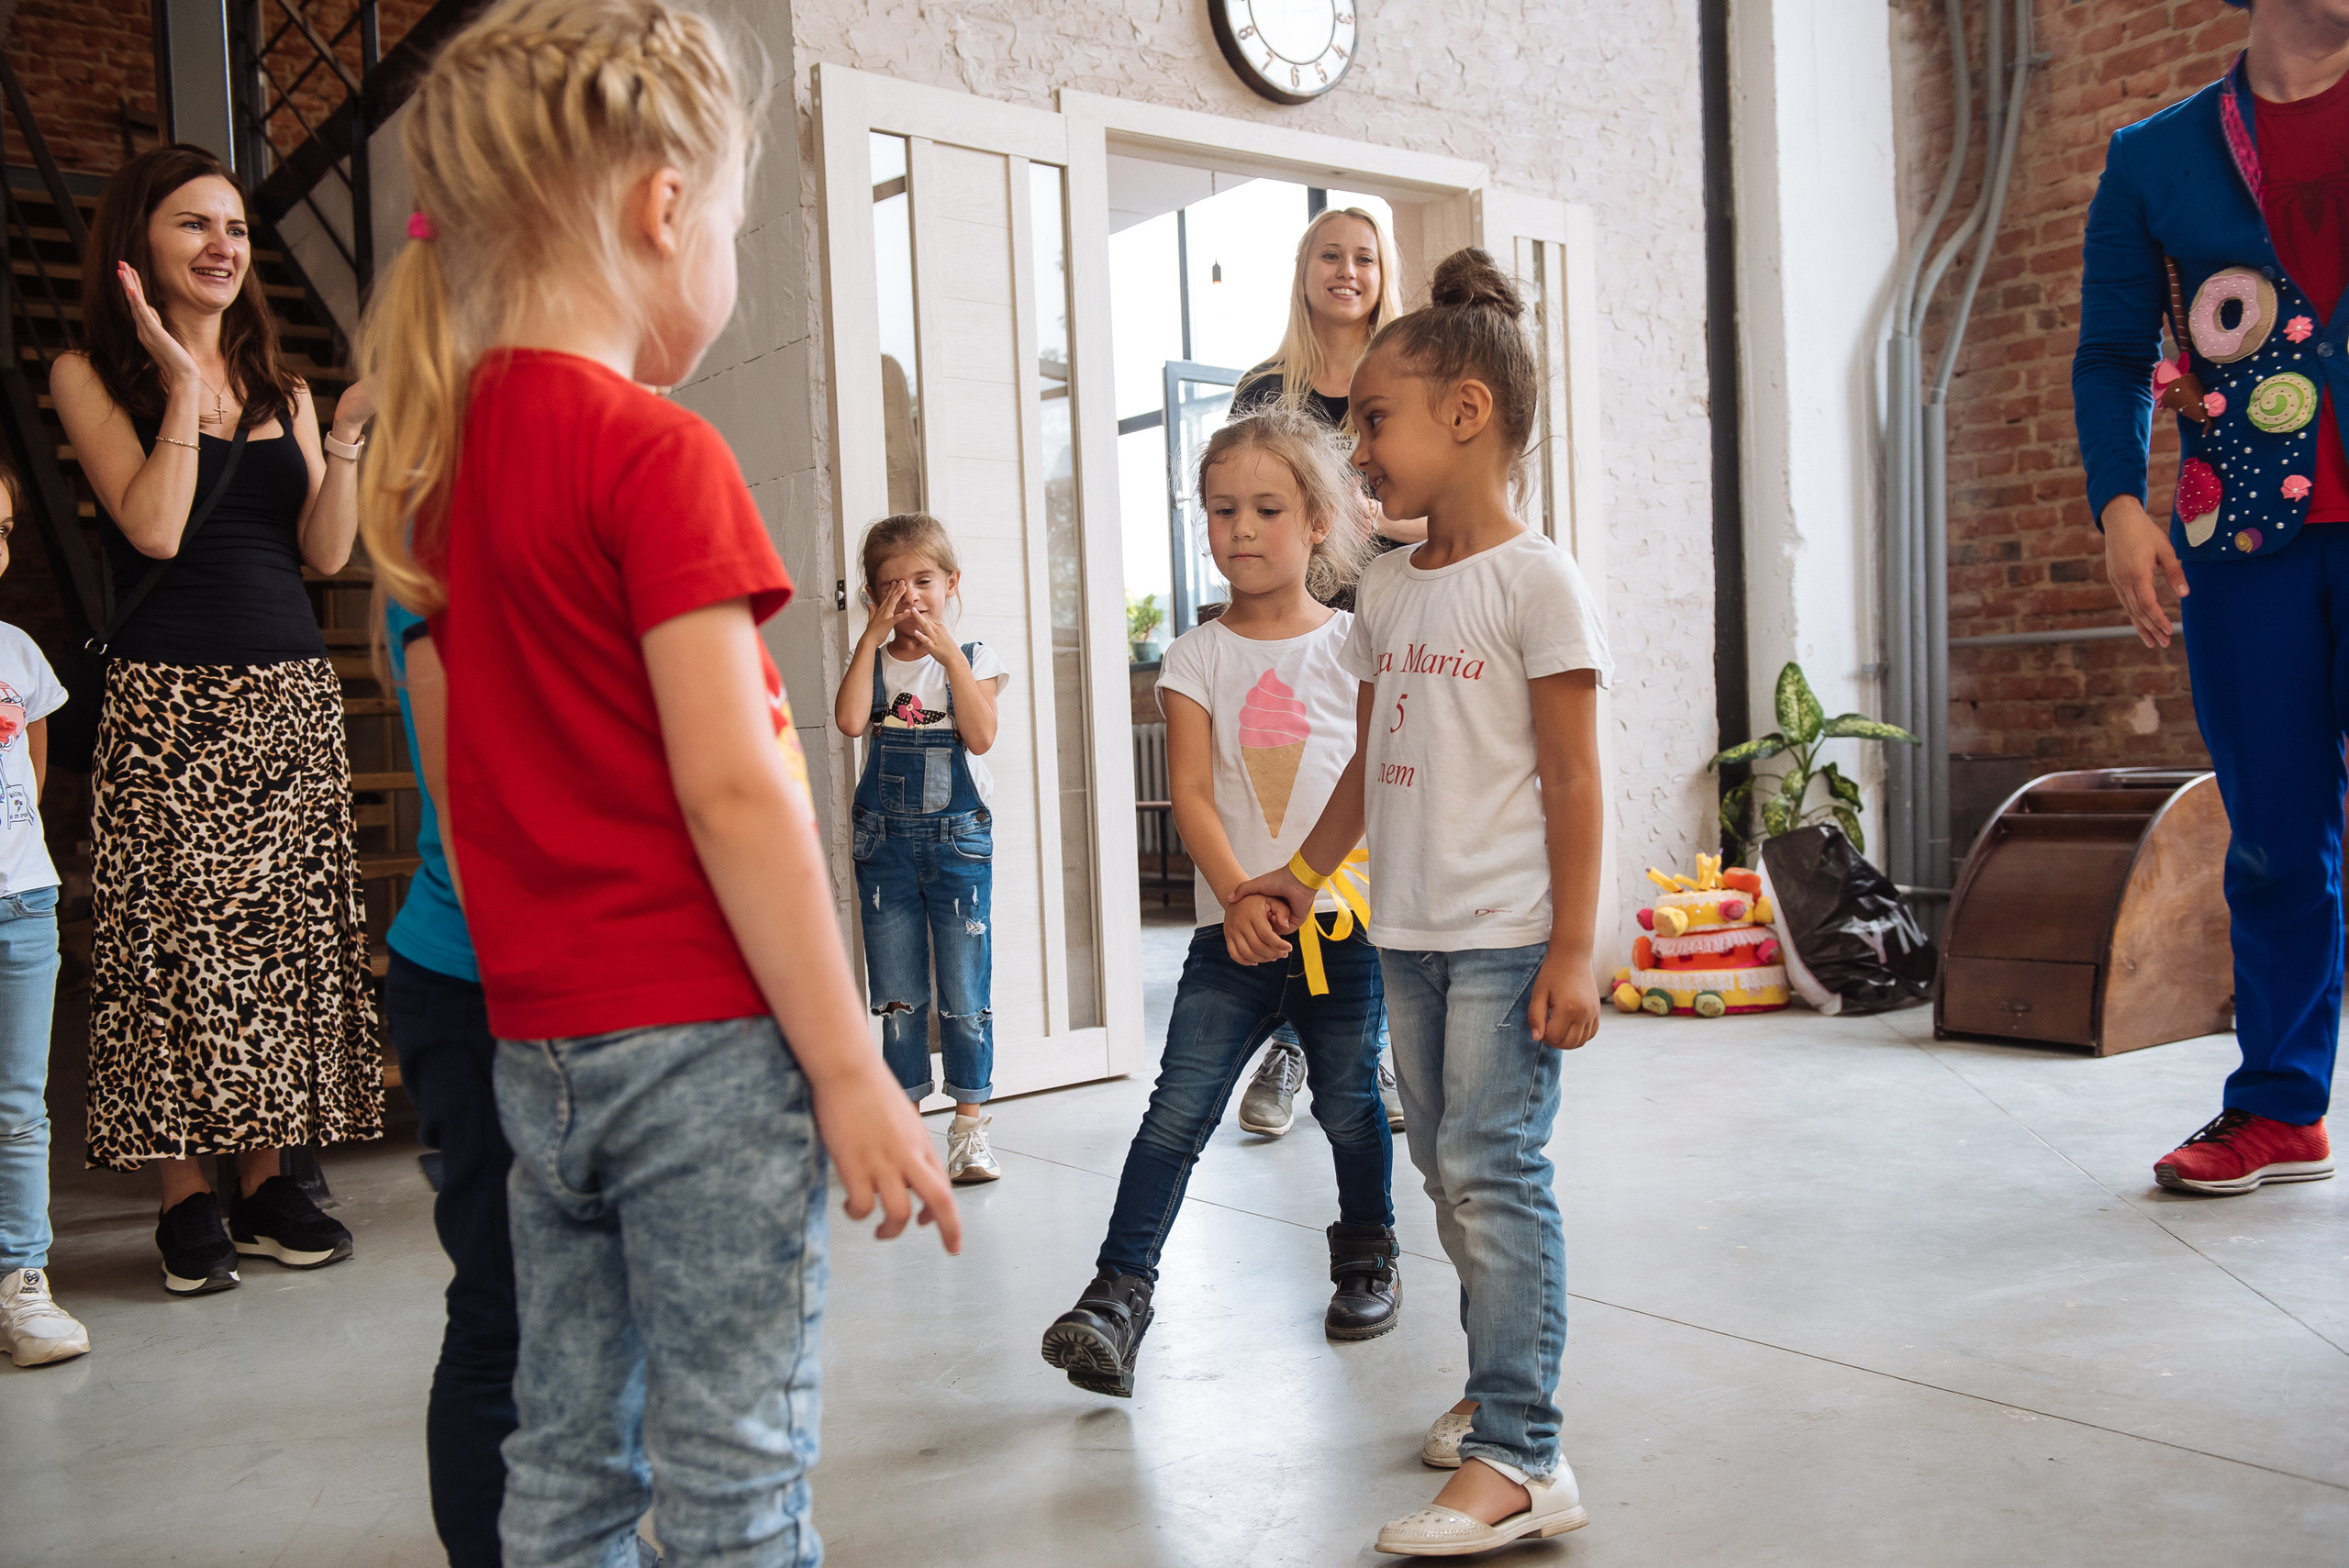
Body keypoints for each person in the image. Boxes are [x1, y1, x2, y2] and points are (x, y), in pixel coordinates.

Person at [355, 3, 961, 1562]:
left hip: (538, 1057)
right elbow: (739, 788)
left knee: (566, 1457)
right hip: (697, 1049)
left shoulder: (453, 464)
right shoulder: (655, 454)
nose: (729, 263)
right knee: (738, 1473)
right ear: (661, 205)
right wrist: (845, 1064)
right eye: (738, 224)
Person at [1235, 250, 1611, 1556]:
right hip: (1411, 934)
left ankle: (1524, 1452)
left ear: (1467, 414)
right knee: (1450, 1175)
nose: (1359, 449)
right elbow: (1363, 758)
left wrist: (1576, 946)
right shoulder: (1388, 589)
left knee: (1496, 1174)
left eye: (1374, 422)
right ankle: (1498, 1387)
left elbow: (1573, 778)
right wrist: (1301, 869)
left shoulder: (1536, 583)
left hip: (1509, 940)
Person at [53, 143, 379, 1297]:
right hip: (169, 701)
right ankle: (182, 1192)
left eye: (235, 228)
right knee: (175, 949)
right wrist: (183, 382)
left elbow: (326, 552)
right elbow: (152, 526)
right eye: (194, 225)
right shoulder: (89, 374)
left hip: (289, 694)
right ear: (141, 244)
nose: (223, 248)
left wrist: (339, 439)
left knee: (281, 944)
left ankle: (268, 1178)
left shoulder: (283, 388)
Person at [1042, 408, 1392, 1398]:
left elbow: (1367, 770)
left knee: (1353, 1104)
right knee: (1174, 1113)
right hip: (1229, 933)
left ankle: (1367, 1254)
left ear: (1319, 521)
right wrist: (1238, 896)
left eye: (1267, 508)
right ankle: (1116, 1295)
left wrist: (1304, 881)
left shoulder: (1355, 644)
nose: (1240, 527)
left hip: (1340, 930)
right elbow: (1191, 793)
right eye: (1220, 508)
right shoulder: (1195, 655)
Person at [2077, 0, 2344, 1196]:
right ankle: (2280, 1105)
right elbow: (2114, 349)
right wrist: (2117, 504)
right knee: (2278, 836)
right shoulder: (2158, 155)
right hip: (2247, 540)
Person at [1227, 204, 1416, 1139]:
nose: (1348, 270)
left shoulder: (1407, 375)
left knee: (1380, 832)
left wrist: (1365, 521)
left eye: (1364, 256)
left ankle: (1367, 1040)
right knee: (1308, 833)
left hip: (1392, 625)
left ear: (1385, 273)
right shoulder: (1268, 389)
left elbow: (1447, 508)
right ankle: (1298, 1036)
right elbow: (1247, 518)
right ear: (1304, 269)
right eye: (1330, 254)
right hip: (1295, 643)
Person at [381, 593, 514, 1568]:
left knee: (588, 1310)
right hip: (485, 983)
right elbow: (472, 825)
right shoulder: (431, 557)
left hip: (550, 985)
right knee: (502, 1306)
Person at [831, 514, 1008, 1184]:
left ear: (951, 583)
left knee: (965, 985)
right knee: (898, 991)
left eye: (923, 580)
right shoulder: (874, 663)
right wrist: (869, 639)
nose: (909, 596)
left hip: (959, 842)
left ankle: (969, 1126)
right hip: (887, 850)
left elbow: (982, 734)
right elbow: (850, 721)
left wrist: (950, 656)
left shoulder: (977, 656)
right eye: (890, 586)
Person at [0, 462, 89, 1367]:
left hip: (23, 907)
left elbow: (29, 771)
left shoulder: (19, 654)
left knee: (20, 1109)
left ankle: (23, 1284)